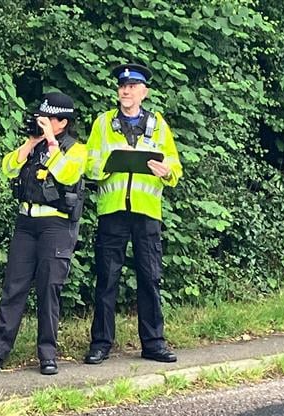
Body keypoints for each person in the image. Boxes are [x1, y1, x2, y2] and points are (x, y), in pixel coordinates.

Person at [83, 63, 183, 364]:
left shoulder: (158, 125)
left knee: (150, 278)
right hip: (112, 210)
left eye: (132, 86)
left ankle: (153, 343)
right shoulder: (103, 123)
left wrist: (166, 171)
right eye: (122, 86)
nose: (125, 90)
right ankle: (101, 343)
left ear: (144, 92)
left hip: (146, 211)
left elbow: (175, 168)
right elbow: (89, 165)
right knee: (107, 278)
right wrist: (108, 165)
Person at [0, 92, 87, 376]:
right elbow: (8, 168)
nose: (42, 123)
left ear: (62, 122)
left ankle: (48, 354)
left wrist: (51, 144)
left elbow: (68, 176)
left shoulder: (76, 149)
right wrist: (31, 142)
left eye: (48, 119)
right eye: (40, 118)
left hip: (56, 226)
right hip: (26, 223)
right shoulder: (34, 144)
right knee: (13, 288)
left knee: (48, 290)